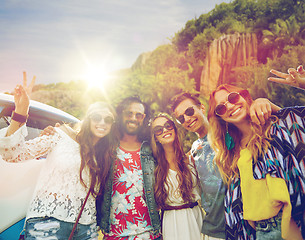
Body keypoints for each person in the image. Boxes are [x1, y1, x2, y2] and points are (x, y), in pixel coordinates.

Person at [0, 73, 118, 239]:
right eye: (97, 117)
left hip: (86, 229)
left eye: (108, 119)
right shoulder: (60, 135)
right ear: (87, 119)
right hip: (47, 223)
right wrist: (21, 111)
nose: (102, 122)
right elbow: (12, 154)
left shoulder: (107, 154)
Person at [170, 93, 275, 240]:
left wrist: (261, 101)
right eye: (181, 118)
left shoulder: (229, 131)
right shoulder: (194, 149)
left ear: (201, 107)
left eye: (189, 111)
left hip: (243, 224)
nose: (187, 119)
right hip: (213, 230)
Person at [207, 83, 305, 239]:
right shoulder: (229, 154)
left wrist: (300, 86)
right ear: (220, 118)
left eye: (232, 97)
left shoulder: (276, 128)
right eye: (221, 108)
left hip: (292, 223)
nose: (230, 106)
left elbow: (297, 127)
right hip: (258, 232)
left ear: (244, 97)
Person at [95, 96, 161, 239]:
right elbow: (84, 138)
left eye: (138, 115)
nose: (133, 118)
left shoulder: (151, 149)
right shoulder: (106, 147)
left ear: (144, 118)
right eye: (129, 113)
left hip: (148, 233)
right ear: (120, 114)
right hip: (114, 234)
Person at [150, 113, 204, 240]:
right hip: (172, 221)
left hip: (196, 216)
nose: (164, 130)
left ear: (174, 128)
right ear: (156, 138)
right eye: (158, 129)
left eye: (168, 125)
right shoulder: (154, 168)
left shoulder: (192, 159)